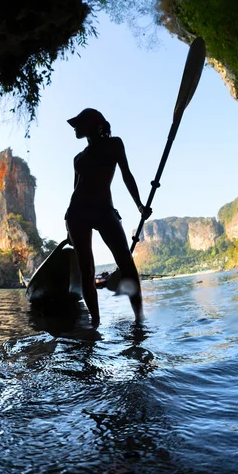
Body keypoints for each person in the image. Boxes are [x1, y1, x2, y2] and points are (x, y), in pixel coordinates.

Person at [65, 108, 152, 325]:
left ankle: (139, 319)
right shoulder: (78, 158)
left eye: (78, 122)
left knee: (126, 263)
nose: (74, 127)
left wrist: (139, 205)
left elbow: (126, 175)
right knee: (87, 270)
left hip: (104, 210)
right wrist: (68, 229)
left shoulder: (114, 144)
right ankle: (95, 324)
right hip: (77, 214)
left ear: (94, 124)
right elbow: (75, 190)